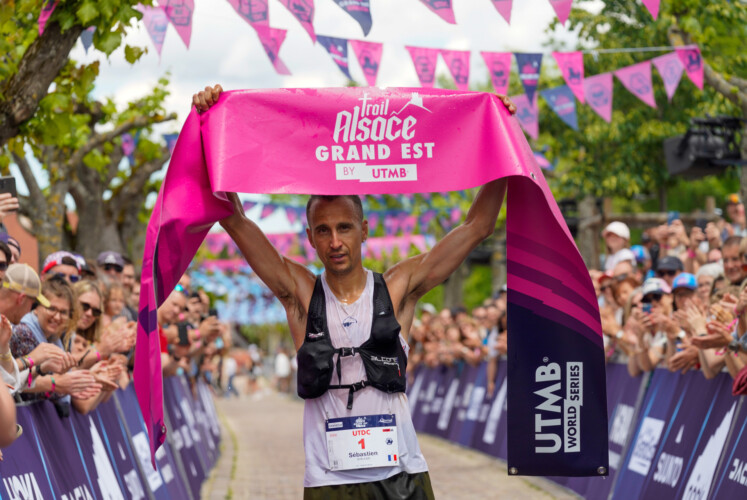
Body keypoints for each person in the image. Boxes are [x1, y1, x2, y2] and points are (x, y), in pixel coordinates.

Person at [195, 84, 516, 498]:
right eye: (323, 231)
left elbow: (477, 227)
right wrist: (209, 130)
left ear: (363, 230)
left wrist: (501, 137)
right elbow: (235, 220)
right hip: (330, 481)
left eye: (344, 228)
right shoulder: (301, 294)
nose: (335, 242)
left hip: (400, 474)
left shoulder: (397, 288)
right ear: (310, 237)